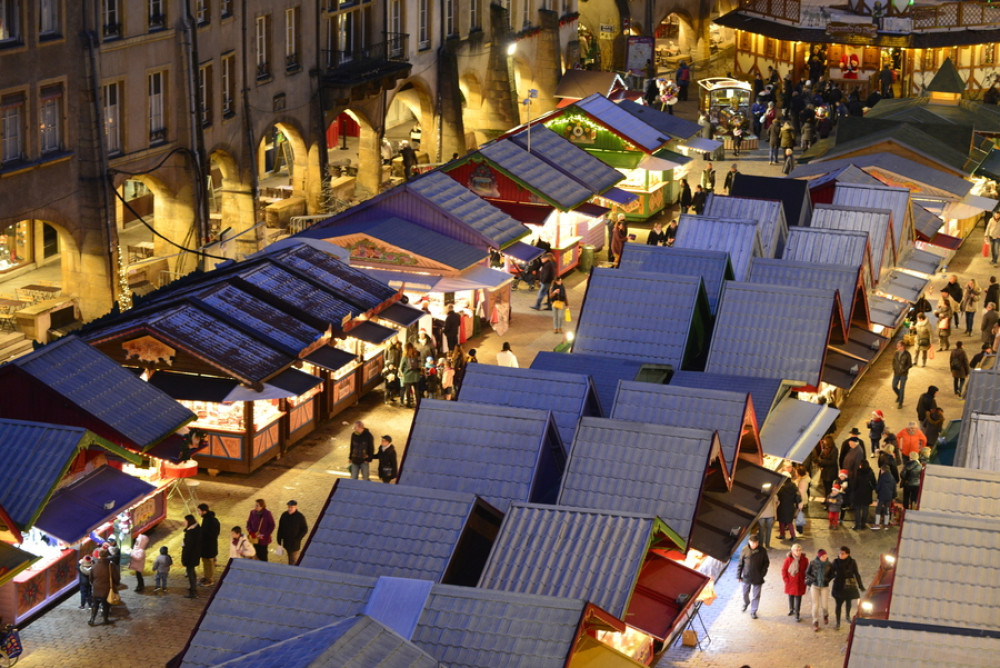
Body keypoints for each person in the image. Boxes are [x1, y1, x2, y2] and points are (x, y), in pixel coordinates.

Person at [830, 546, 864, 630]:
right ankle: (838, 622)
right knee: (838, 605)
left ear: (847, 554)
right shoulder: (836, 562)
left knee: (848, 602)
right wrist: (825, 581)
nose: (840, 555)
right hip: (839, 586)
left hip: (849, 586)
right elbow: (830, 573)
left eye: (842, 553)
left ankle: (847, 616)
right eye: (840, 553)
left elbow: (856, 574)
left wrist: (860, 585)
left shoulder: (852, 562)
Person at [737, 535, 769, 619]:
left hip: (758, 577)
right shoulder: (745, 549)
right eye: (752, 543)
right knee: (744, 593)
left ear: (758, 542)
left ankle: (753, 611)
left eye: (756, 543)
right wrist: (738, 575)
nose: (754, 544)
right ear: (749, 542)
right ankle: (746, 603)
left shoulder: (762, 551)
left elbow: (766, 563)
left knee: (756, 596)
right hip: (746, 576)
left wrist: (762, 574)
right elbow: (740, 563)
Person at [88, 546, 120, 626]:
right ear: (107, 556)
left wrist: (95, 584)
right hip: (106, 590)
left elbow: (90, 578)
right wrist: (116, 584)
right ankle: (105, 619)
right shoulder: (111, 566)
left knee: (95, 604)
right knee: (106, 605)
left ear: (99, 556)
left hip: (96, 589)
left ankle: (92, 619)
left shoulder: (94, 566)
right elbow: (116, 577)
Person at [805, 549, 833, 632]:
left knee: (824, 605)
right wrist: (813, 579)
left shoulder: (829, 564)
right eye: (823, 556)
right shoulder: (813, 563)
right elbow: (807, 573)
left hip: (824, 586)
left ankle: (825, 615)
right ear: (819, 556)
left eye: (825, 556)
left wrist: (827, 579)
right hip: (815, 586)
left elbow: (832, 574)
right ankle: (815, 621)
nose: (825, 557)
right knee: (815, 605)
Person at [276, 500, 309, 565]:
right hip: (286, 542)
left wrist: (298, 538)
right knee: (290, 557)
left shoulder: (300, 517)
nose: (290, 509)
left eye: (292, 507)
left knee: (293, 560)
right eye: (289, 507)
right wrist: (279, 539)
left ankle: (292, 571)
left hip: (294, 544)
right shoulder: (284, 515)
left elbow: (305, 529)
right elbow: (280, 528)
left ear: (296, 507)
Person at [782, 544, 809, 622]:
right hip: (791, 582)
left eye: (800, 550)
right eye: (796, 550)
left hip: (800, 582)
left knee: (798, 598)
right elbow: (784, 570)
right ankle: (791, 609)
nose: (798, 552)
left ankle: (797, 613)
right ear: (792, 551)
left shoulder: (805, 559)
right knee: (790, 596)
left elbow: (807, 570)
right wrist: (786, 580)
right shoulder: (788, 560)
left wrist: (806, 579)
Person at [197, 503, 220, 587]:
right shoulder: (206, 519)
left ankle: (210, 579)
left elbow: (213, 534)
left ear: (204, 511)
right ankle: (206, 577)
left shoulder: (212, 521)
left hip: (210, 545)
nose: (198, 512)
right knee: (205, 561)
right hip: (205, 545)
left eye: (199, 511)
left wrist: (202, 535)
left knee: (209, 562)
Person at [180, 514, 202, 599]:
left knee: (190, 573)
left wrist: (184, 558)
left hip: (191, 556)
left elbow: (188, 547)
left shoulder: (190, 532)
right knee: (192, 571)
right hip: (195, 555)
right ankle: (193, 588)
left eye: (185, 521)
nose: (184, 522)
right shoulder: (197, 529)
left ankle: (193, 592)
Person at [852, 458, 876, 530]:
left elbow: (854, 484)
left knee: (857, 510)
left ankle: (857, 525)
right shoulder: (870, 472)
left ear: (861, 465)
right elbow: (874, 483)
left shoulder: (858, 472)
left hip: (858, 494)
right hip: (867, 494)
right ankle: (863, 524)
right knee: (865, 509)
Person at [873, 464, 897, 530]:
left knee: (878, 509)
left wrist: (876, 490)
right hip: (889, 497)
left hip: (881, 496)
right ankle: (886, 525)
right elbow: (894, 488)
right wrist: (894, 496)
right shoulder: (892, 478)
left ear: (883, 470)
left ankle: (877, 524)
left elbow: (878, 487)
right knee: (887, 510)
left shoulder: (882, 477)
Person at [776, 476, 800, 541]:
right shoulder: (794, 487)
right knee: (789, 522)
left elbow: (778, 496)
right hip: (791, 507)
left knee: (781, 522)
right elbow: (797, 497)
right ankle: (793, 536)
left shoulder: (781, 488)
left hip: (782, 506)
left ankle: (782, 535)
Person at [891, 341, 913, 409]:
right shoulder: (896, 353)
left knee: (902, 389)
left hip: (903, 374)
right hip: (896, 373)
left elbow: (910, 364)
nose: (897, 347)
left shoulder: (907, 354)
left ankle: (900, 403)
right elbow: (893, 361)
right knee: (894, 386)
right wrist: (894, 368)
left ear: (902, 347)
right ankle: (899, 395)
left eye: (898, 346)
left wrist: (904, 370)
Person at [817, 435, 839, 502]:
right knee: (825, 487)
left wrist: (822, 462)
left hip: (830, 472)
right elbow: (820, 457)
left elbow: (832, 462)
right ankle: (826, 499)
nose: (824, 442)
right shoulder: (824, 448)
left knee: (829, 487)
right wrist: (821, 464)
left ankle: (829, 501)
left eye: (825, 440)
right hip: (825, 471)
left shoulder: (834, 450)